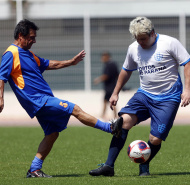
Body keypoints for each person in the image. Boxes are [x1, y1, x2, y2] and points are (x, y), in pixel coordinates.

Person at [0, 19, 123, 178]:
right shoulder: (11, 53)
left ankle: (34, 170)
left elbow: (50, 64)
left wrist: (71, 62)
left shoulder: (28, 54)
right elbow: (1, 77)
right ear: (20, 35)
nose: (34, 40)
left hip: (42, 100)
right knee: (74, 108)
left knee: (52, 134)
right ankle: (110, 128)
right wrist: (1, 98)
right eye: (31, 37)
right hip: (38, 101)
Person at [89, 16, 190, 176]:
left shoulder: (169, 43)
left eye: (143, 39)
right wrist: (115, 92)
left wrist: (187, 89)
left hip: (168, 98)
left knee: (155, 140)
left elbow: (189, 63)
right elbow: (126, 70)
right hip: (144, 95)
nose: (141, 43)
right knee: (121, 123)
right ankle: (108, 166)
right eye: (138, 40)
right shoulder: (133, 48)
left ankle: (144, 166)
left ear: (152, 32)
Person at [93, 51, 119, 119]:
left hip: (109, 87)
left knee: (110, 101)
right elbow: (117, 75)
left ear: (107, 56)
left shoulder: (108, 65)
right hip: (113, 86)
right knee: (106, 100)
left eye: (103, 57)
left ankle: (114, 115)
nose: (102, 59)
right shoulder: (114, 64)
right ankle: (104, 114)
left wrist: (98, 80)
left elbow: (106, 76)